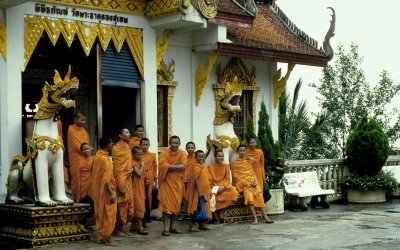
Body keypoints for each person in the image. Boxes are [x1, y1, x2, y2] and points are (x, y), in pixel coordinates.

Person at [88, 137, 119, 246]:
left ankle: (101, 237)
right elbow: (106, 179)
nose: (113, 145)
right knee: (109, 214)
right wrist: (111, 193)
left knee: (101, 213)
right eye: (112, 143)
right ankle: (108, 238)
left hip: (99, 190)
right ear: (109, 145)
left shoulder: (97, 157)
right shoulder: (104, 159)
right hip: (106, 191)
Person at [232, 145, 273, 225]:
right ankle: (255, 219)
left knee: (260, 197)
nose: (242, 152)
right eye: (240, 151)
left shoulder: (248, 161)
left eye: (244, 151)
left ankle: (266, 217)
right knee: (250, 198)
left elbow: (252, 172)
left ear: (245, 152)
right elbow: (236, 176)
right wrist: (247, 183)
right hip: (244, 184)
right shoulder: (235, 162)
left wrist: (255, 182)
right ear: (238, 152)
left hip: (253, 183)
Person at [158, 135, 187, 236]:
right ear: (170, 143)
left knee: (176, 205)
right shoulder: (165, 152)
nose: (174, 145)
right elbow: (162, 165)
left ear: (179, 144)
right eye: (172, 143)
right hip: (167, 182)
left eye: (176, 143)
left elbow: (183, 167)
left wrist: (169, 166)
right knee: (166, 206)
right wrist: (176, 167)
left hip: (177, 183)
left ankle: (173, 227)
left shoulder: (182, 153)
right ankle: (166, 228)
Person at [112, 128, 134, 237]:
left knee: (128, 204)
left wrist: (131, 170)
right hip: (120, 179)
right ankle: (115, 229)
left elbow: (128, 164)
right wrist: (122, 178)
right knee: (120, 204)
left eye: (129, 132)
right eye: (126, 132)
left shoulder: (127, 147)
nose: (128, 134)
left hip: (128, 179)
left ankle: (120, 227)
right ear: (120, 135)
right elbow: (117, 168)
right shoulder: (116, 148)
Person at [208, 150, 238, 223]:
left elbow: (227, 179)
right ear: (215, 157)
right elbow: (209, 180)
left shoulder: (226, 166)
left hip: (224, 186)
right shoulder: (210, 167)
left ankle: (220, 214)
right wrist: (215, 187)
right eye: (218, 156)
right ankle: (217, 216)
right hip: (214, 186)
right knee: (213, 196)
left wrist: (223, 187)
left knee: (234, 192)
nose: (220, 158)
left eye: (222, 156)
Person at [186, 150, 212, 232]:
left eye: (202, 156)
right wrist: (200, 192)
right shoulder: (196, 167)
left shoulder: (204, 166)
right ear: (195, 157)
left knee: (204, 207)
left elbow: (207, 178)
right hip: (198, 191)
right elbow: (196, 180)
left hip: (205, 191)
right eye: (199, 157)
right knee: (196, 207)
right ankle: (193, 226)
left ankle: (203, 224)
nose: (201, 158)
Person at [68, 113, 91, 203]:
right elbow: (75, 144)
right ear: (76, 120)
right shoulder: (71, 129)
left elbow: (87, 142)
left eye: (84, 120)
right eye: (82, 120)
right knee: (77, 179)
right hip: (77, 158)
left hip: (86, 157)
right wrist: (85, 151)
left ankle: (87, 198)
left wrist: (88, 150)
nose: (83, 122)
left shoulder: (84, 131)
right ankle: (77, 198)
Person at [130, 146, 148, 235]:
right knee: (138, 205)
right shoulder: (133, 162)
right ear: (133, 154)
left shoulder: (139, 162)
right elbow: (138, 173)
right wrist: (143, 166)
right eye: (139, 154)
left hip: (140, 186)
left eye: (141, 154)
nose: (140, 156)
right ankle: (140, 227)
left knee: (139, 204)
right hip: (134, 187)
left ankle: (133, 226)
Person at [140, 138, 158, 224]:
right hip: (140, 177)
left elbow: (155, 167)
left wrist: (155, 180)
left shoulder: (152, 155)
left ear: (149, 145)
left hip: (150, 177)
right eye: (143, 144)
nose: (145, 146)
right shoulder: (138, 155)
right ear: (140, 145)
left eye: (147, 145)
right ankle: (141, 215)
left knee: (149, 197)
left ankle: (147, 215)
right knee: (141, 197)